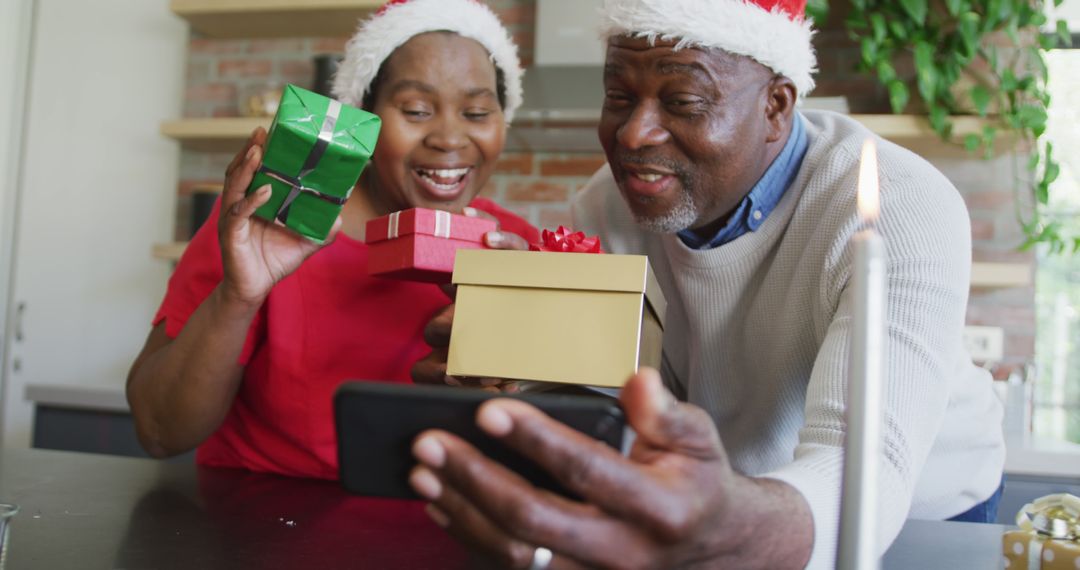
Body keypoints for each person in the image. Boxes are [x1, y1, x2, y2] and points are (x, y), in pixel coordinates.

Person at [407, 0, 1007, 567]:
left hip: (921, 520)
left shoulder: (897, 203)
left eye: (685, 102)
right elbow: (635, 397)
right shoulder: (606, 205)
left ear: (776, 106)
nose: (634, 134)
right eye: (618, 95)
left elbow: (862, 469)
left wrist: (729, 526)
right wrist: (527, 364)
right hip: (721, 508)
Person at [126, 0, 537, 480]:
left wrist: (529, 362)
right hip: (264, 528)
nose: (449, 137)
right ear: (364, 115)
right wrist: (238, 296)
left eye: (477, 112)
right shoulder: (263, 221)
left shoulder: (516, 249)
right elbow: (158, 431)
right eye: (417, 110)